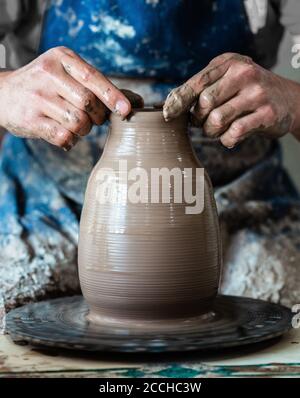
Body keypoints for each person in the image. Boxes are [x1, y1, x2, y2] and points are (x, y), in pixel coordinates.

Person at [0, 0, 300, 322]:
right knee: (15, 303)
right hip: (44, 198)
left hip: (242, 196)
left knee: (280, 305)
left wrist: (293, 101)